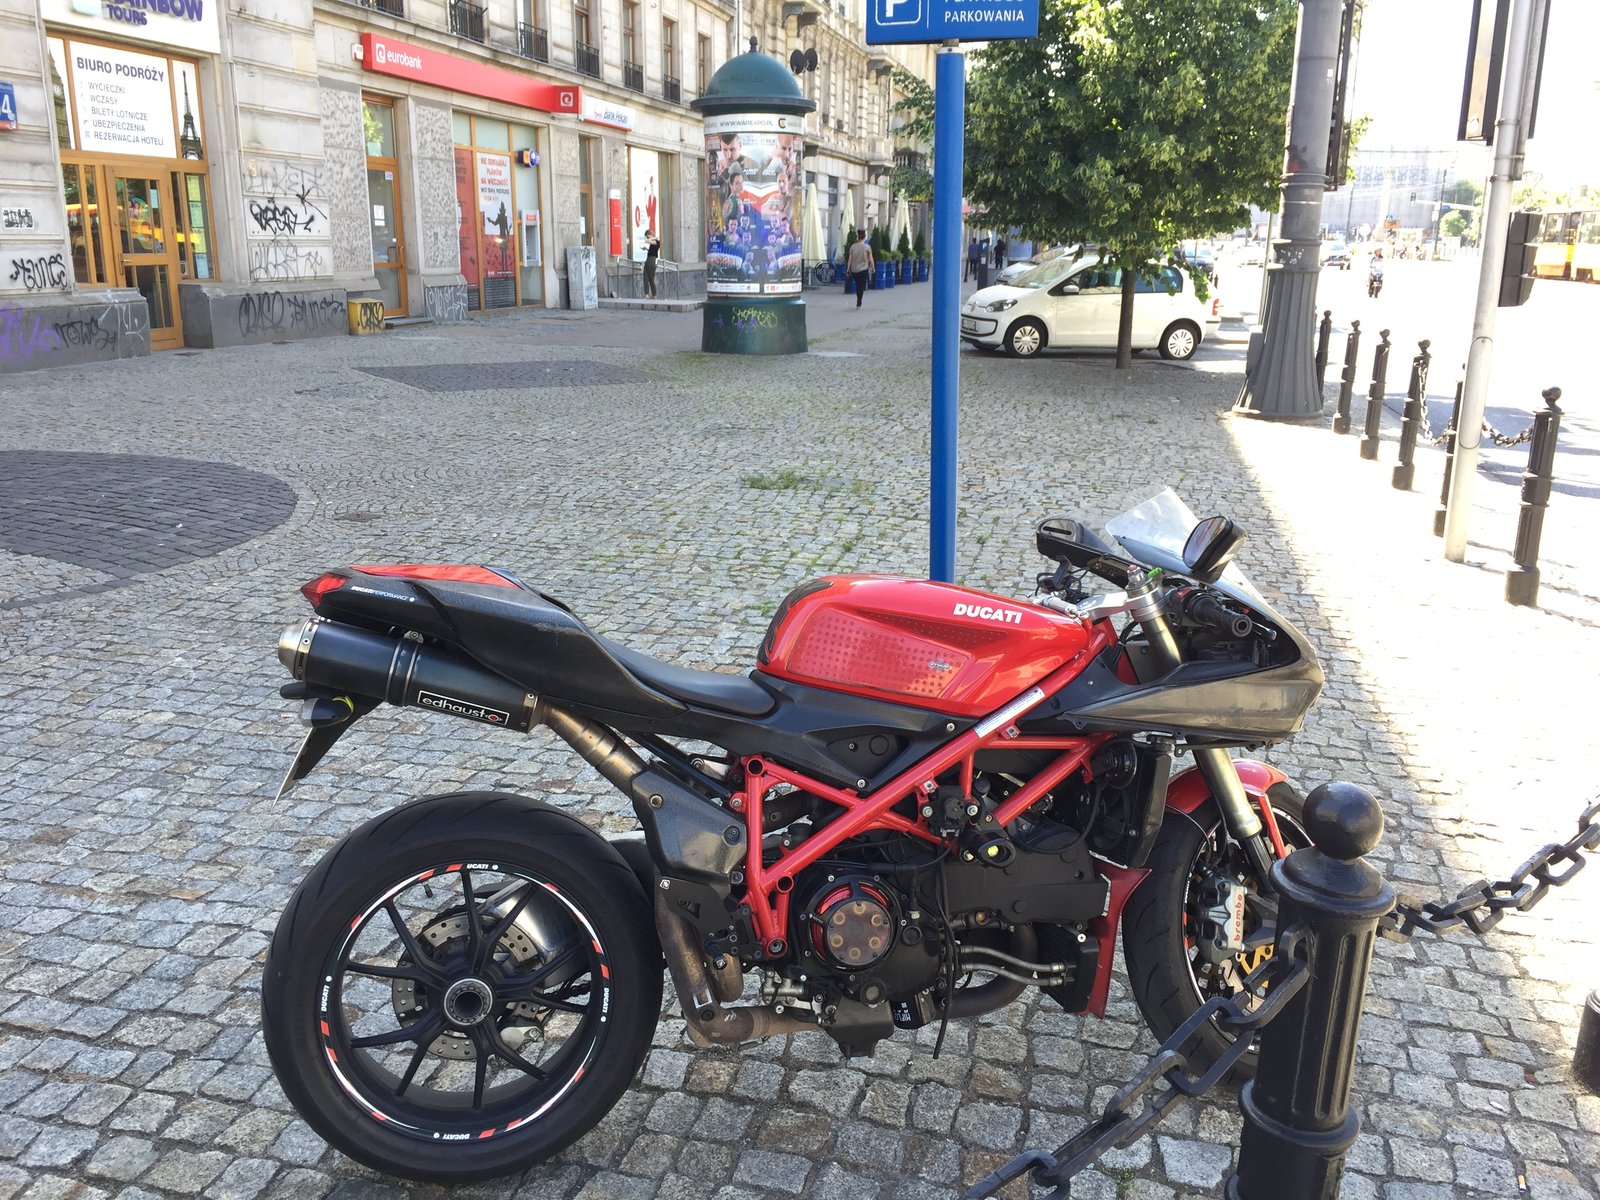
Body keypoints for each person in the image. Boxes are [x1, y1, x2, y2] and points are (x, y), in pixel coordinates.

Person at [846, 228, 874, 308]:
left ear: (858, 237)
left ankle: (859, 302)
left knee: (858, 285)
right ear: (864, 237)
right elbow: (871, 259)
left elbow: (850, 259)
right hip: (863, 269)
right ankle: (859, 303)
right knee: (860, 286)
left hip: (854, 270)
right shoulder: (867, 247)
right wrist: (873, 268)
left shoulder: (853, 247)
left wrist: (848, 269)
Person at [643, 228, 661, 299]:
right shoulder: (655, 242)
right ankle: (654, 295)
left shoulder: (656, 241)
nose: (647, 238)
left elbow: (647, 241)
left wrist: (653, 237)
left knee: (646, 278)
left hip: (651, 260)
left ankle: (647, 295)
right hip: (652, 261)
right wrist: (647, 249)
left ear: (651, 235)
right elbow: (653, 251)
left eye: (648, 236)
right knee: (651, 279)